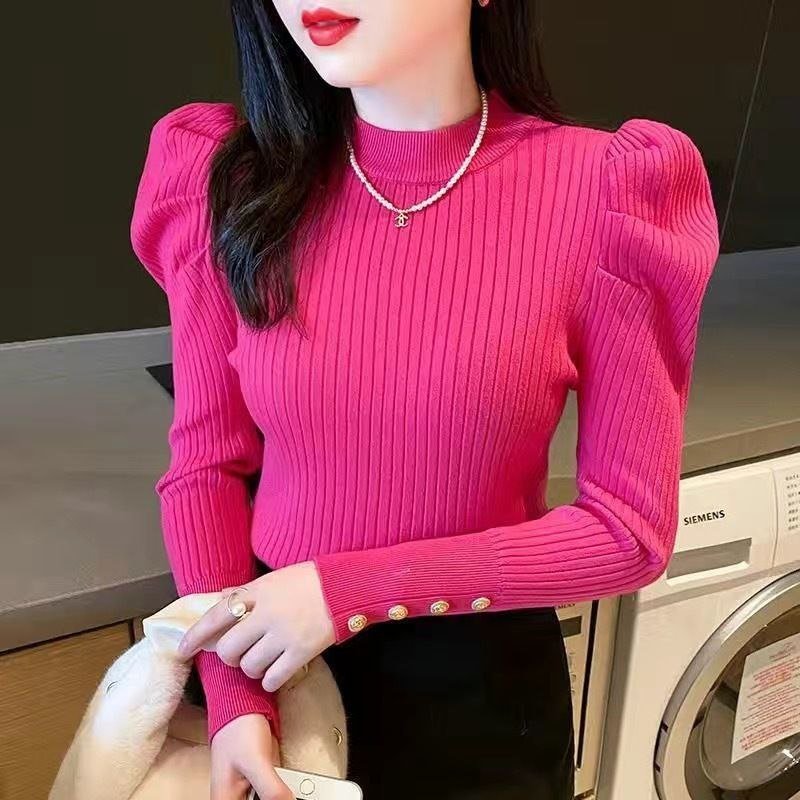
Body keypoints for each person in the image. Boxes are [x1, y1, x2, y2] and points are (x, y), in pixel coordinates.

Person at [130, 1, 720, 798]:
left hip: (476, 701)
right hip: (268, 667)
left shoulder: (608, 191)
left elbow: (628, 533)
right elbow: (205, 467)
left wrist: (345, 592)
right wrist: (236, 700)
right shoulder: (236, 183)